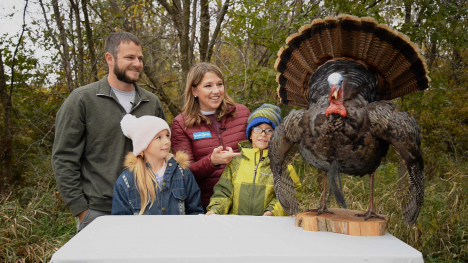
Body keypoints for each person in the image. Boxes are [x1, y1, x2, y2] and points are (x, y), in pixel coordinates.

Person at [52, 32, 165, 231]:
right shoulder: (82, 100)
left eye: (140, 58)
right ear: (109, 58)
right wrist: (81, 210)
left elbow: (163, 153)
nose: (137, 64)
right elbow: (64, 158)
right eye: (129, 57)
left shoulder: (151, 102)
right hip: (100, 212)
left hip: (148, 209)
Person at [171, 63, 250, 210]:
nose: (216, 91)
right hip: (205, 206)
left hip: (245, 202)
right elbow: (184, 175)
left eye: (219, 84)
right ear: (194, 90)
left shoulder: (242, 113)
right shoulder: (181, 124)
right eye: (208, 86)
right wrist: (211, 162)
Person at [206, 104, 301, 216]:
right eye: (257, 129)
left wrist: (272, 211)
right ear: (250, 134)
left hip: (268, 227)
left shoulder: (283, 166)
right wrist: (215, 210)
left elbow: (290, 194)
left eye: (269, 130)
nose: (263, 134)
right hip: (237, 226)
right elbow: (223, 193)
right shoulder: (236, 163)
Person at [112, 115, 203, 215]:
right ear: (143, 144)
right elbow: (120, 222)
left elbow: (195, 212)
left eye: (167, 136)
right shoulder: (126, 181)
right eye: (158, 137)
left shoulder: (183, 173)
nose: (167, 142)